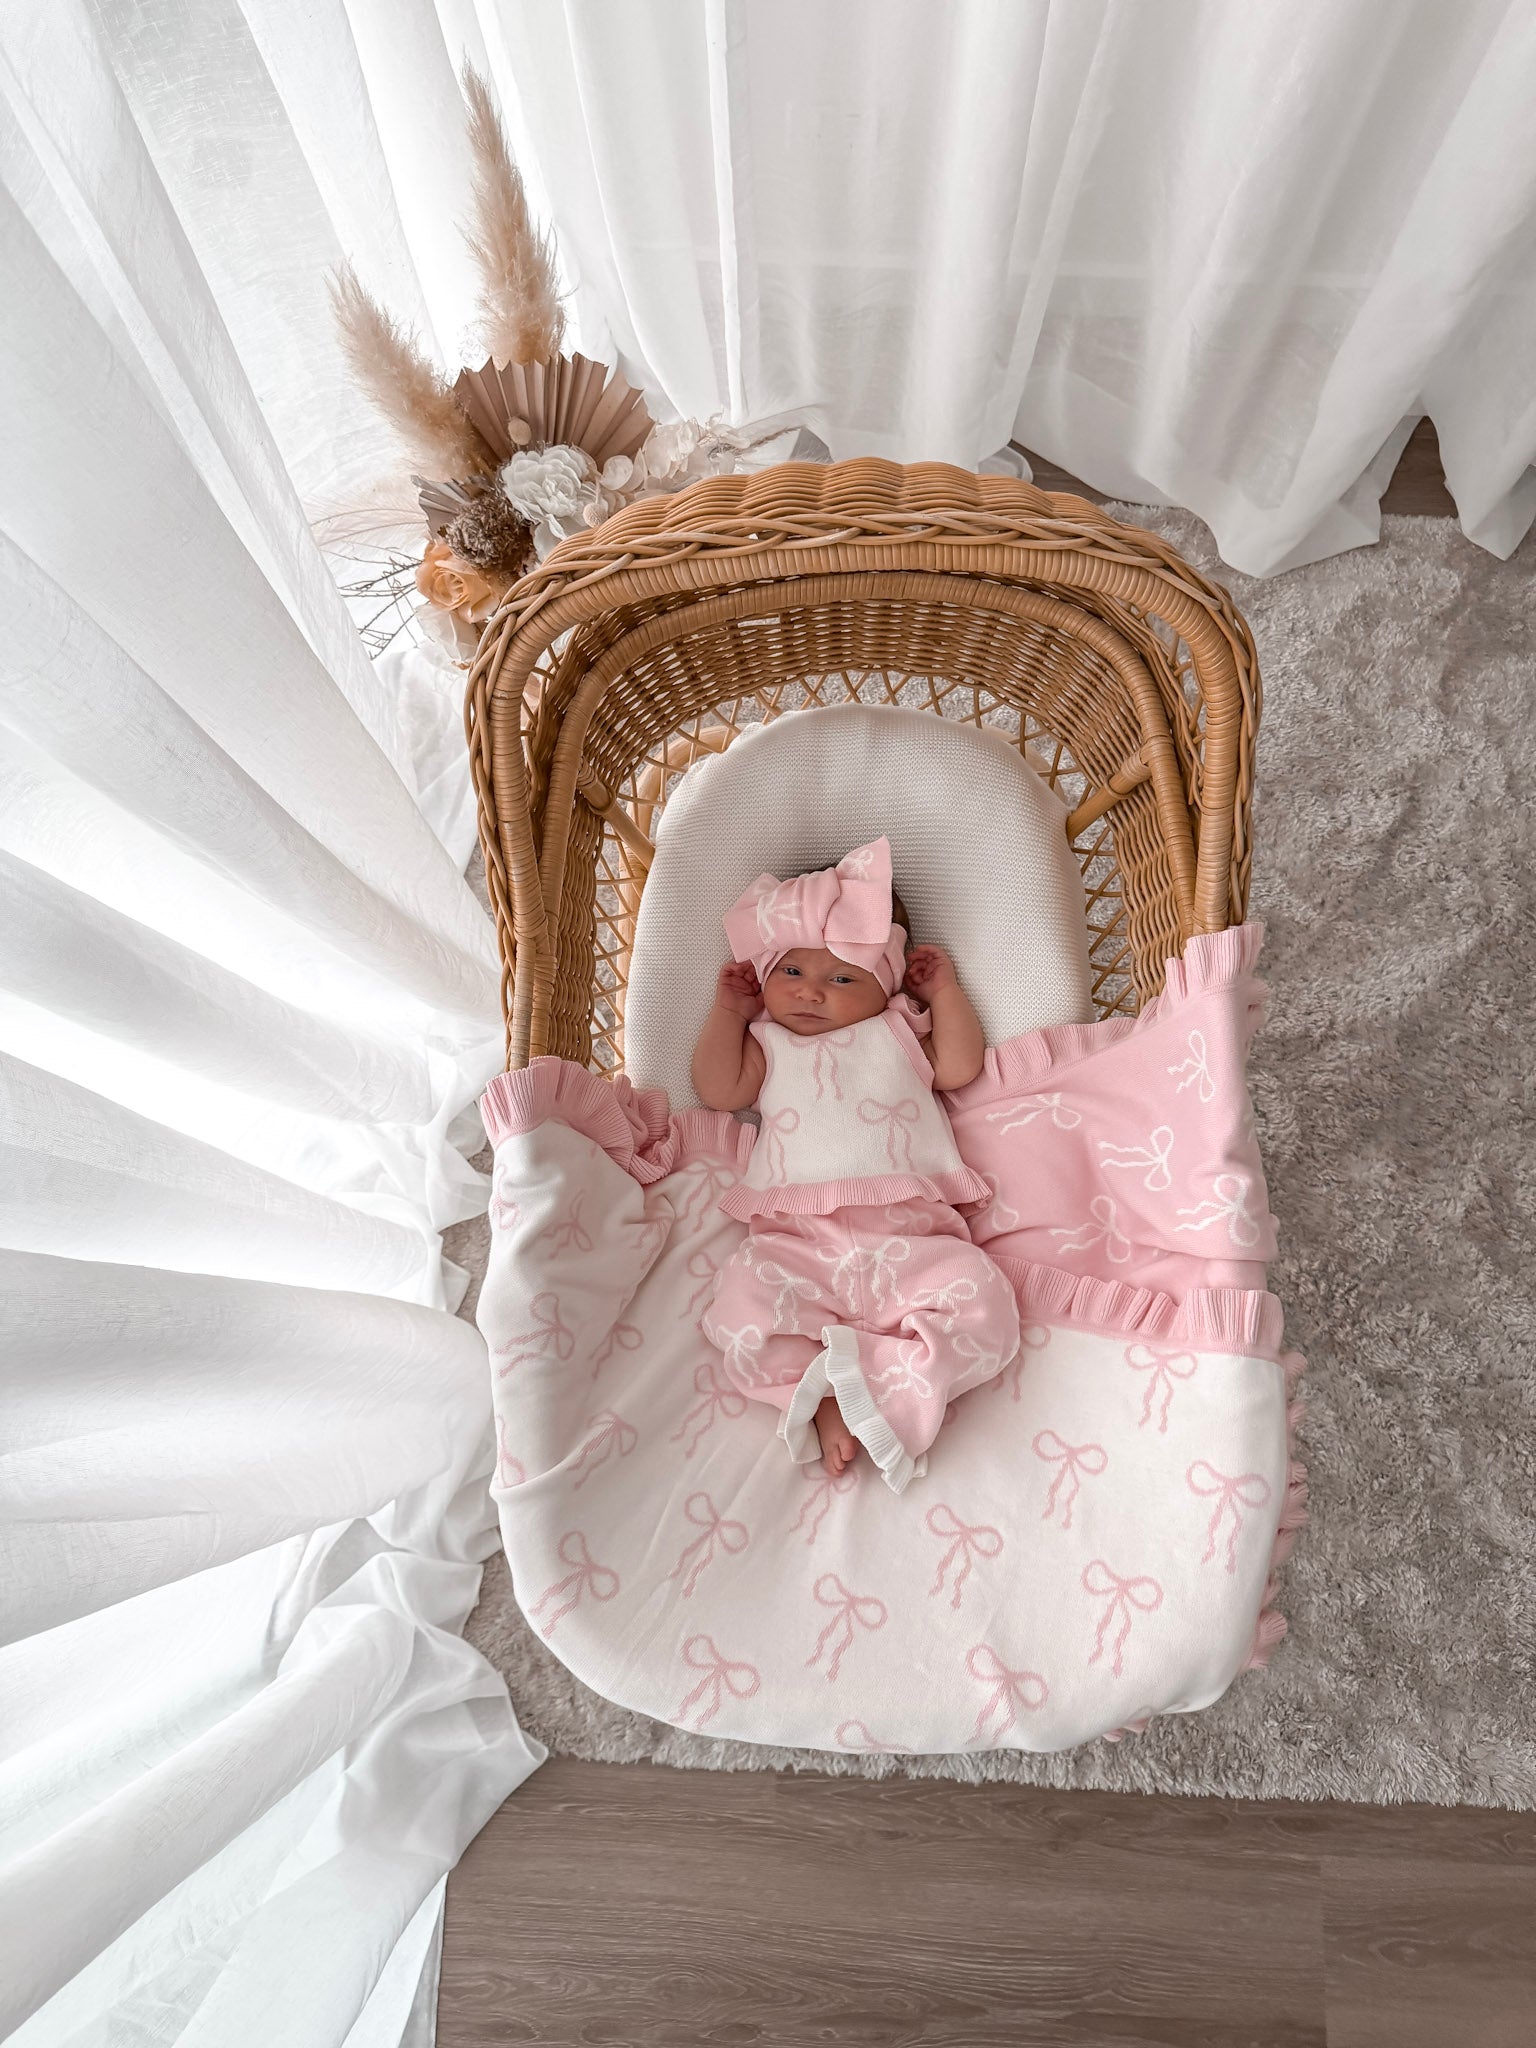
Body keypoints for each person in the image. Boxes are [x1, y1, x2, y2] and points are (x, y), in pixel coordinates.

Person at [692, 838, 1020, 1492]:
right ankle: (815, 1391)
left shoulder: (897, 1030)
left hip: (912, 1242)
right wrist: (730, 1014)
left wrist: (944, 993)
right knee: (740, 1309)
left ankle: (880, 1387)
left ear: (886, 987)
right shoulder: (767, 1042)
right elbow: (719, 1089)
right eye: (790, 972)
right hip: (799, 1246)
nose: (811, 992)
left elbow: (959, 1065)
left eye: (842, 979)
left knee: (988, 1306)